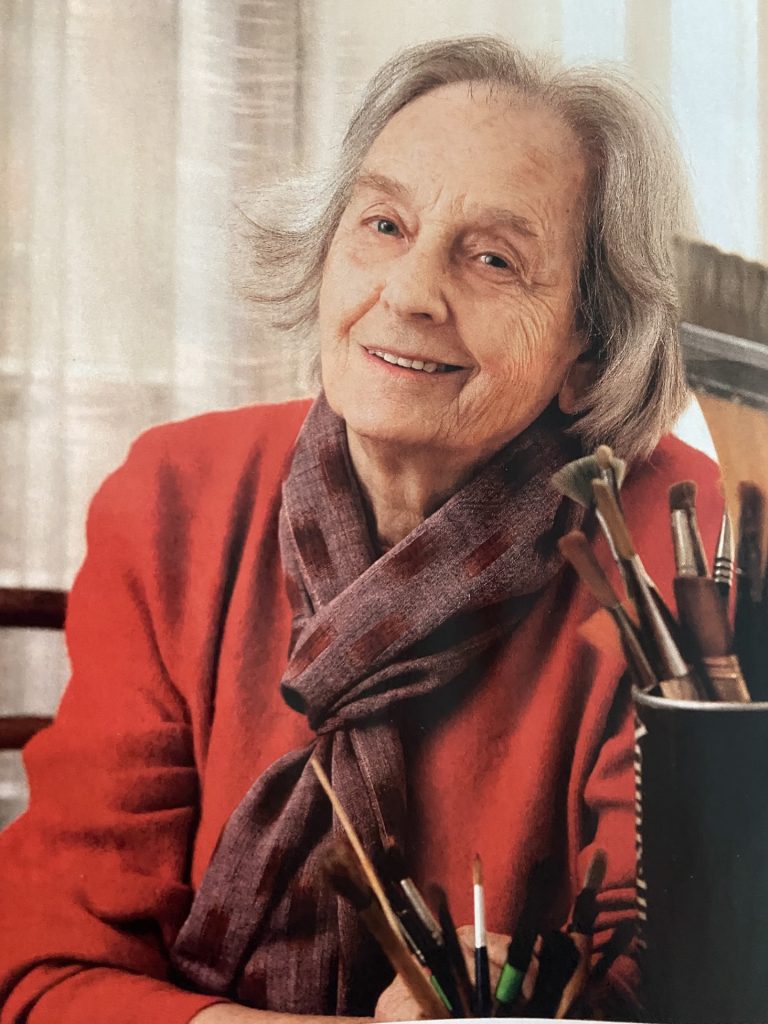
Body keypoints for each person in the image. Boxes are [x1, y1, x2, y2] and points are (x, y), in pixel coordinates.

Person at [0, 36, 722, 1024]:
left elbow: (687, 975)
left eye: (494, 258)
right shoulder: (175, 497)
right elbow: (49, 964)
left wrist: (545, 1004)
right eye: (384, 224)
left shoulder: (682, 546)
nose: (410, 292)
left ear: (589, 352)